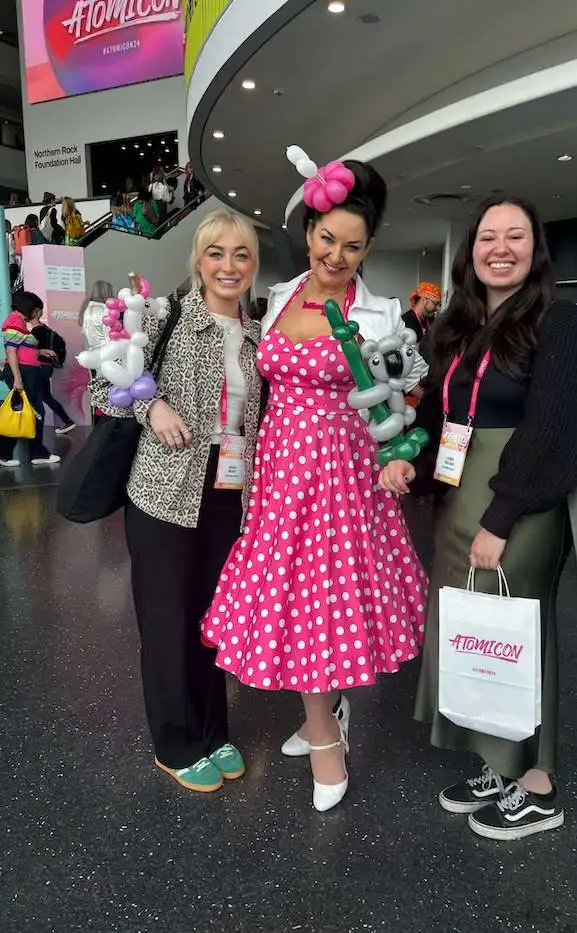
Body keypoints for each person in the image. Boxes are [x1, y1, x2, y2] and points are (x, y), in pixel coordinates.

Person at [201, 155, 428, 812]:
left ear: (368, 247)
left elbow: (408, 391)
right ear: (309, 232)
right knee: (293, 596)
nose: (336, 255)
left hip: (344, 475)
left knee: (324, 599)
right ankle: (320, 715)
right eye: (327, 239)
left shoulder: (384, 315)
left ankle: (326, 735)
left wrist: (398, 449)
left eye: (352, 245)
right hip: (279, 473)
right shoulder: (278, 298)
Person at [380, 194, 577, 840]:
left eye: (516, 236)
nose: (500, 248)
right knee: (470, 629)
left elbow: (555, 429)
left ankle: (536, 785)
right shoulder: (460, 324)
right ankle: (495, 763)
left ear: (536, 248)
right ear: (470, 250)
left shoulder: (558, 321)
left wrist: (502, 516)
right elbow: (436, 416)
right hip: (456, 494)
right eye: (487, 237)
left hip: (518, 500)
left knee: (514, 630)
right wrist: (409, 460)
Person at [89, 210, 263, 792]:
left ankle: (214, 730)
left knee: (214, 621)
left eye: (240, 255)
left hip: (228, 492)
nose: (228, 266)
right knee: (166, 620)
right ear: (198, 258)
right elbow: (102, 382)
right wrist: (150, 405)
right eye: (217, 253)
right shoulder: (164, 316)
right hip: (163, 490)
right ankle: (175, 740)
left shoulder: (259, 333)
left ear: (253, 264)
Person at [0, 291, 62, 468]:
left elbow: (21, 348)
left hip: (25, 371)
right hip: (23, 372)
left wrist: (40, 352)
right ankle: (30, 453)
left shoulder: (18, 321)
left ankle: (4, 452)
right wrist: (17, 378)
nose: (38, 314)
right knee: (34, 411)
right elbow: (11, 350)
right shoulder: (15, 320)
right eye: (37, 310)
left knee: (27, 411)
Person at [29, 309, 75, 435]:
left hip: (39, 368)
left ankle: (34, 430)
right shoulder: (45, 329)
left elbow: (30, 350)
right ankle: (67, 420)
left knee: (38, 398)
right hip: (46, 367)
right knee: (46, 397)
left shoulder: (37, 331)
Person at [79, 281, 114, 349]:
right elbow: (108, 335)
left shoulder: (86, 308)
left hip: (90, 351)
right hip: (105, 351)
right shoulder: (105, 310)